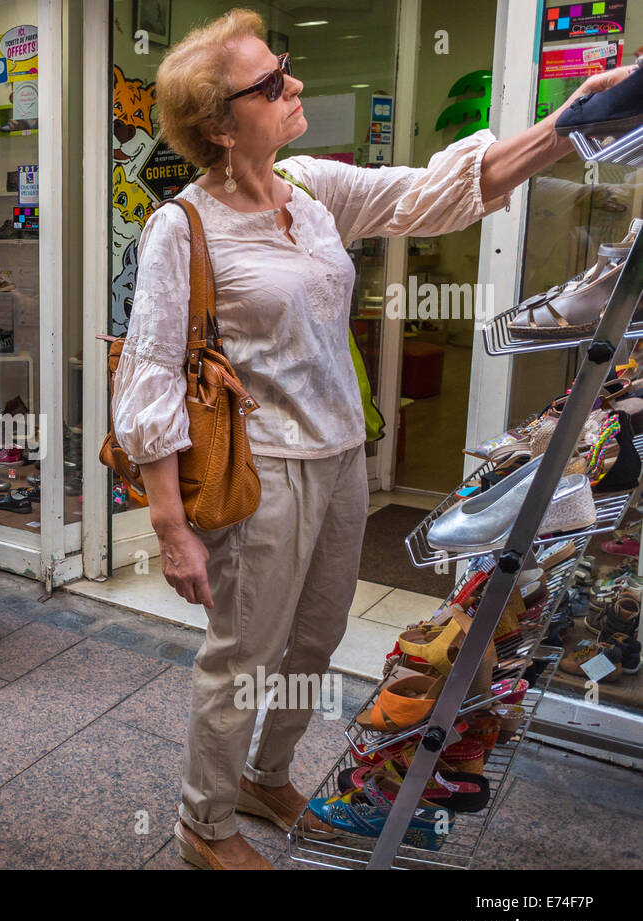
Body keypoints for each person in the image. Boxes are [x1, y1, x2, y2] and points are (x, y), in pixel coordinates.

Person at [111, 9, 637, 869]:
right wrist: (171, 529)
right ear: (218, 123)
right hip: (262, 476)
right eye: (271, 81)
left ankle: (265, 771)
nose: (295, 85)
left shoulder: (311, 188)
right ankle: (202, 823)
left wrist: (572, 116)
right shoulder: (184, 227)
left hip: (341, 459)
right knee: (242, 653)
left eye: (286, 67)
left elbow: (433, 190)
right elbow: (150, 379)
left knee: (314, 642)